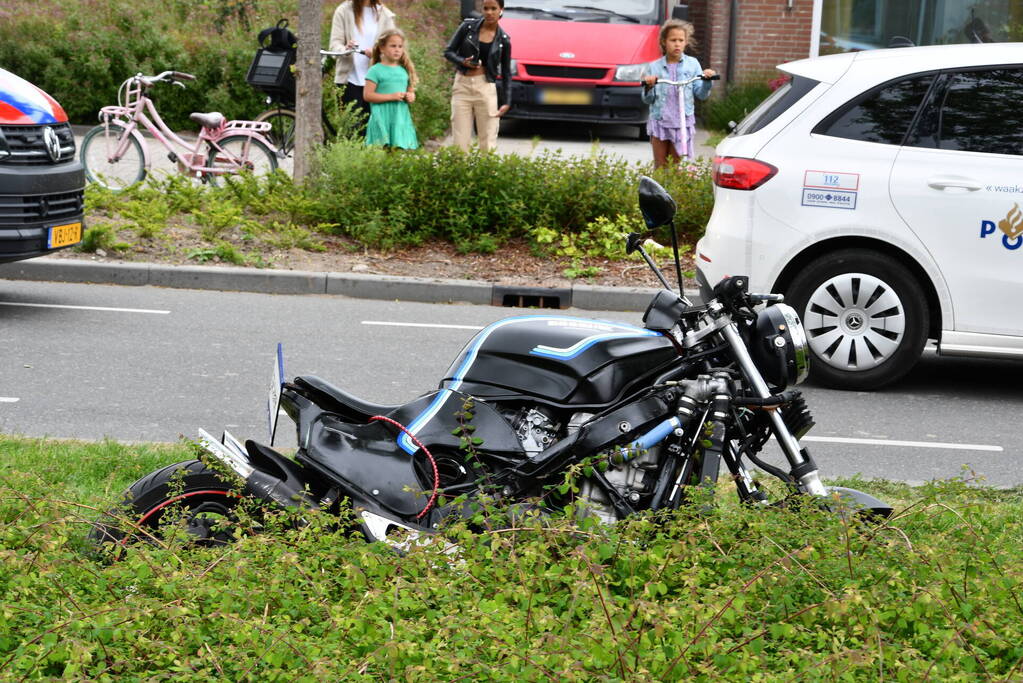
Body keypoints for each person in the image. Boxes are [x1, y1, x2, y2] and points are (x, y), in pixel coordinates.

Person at [641, 19, 716, 169]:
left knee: (675, 167)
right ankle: (658, 191)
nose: (677, 44)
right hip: (660, 121)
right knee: (660, 166)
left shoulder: (692, 64)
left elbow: (701, 94)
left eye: (681, 40)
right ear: (664, 42)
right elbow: (648, 100)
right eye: (673, 40)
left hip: (681, 122)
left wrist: (707, 81)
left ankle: (674, 192)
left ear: (686, 42)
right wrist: (649, 87)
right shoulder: (654, 67)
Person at [443, 0, 512, 152]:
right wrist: (463, 61)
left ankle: (486, 174)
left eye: (493, 8)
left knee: (488, 139)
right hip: (462, 85)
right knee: (460, 139)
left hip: (486, 87)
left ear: (501, 10)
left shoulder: (504, 40)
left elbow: (506, 72)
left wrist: (506, 101)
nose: (489, 12)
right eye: (485, 8)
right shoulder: (467, 27)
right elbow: (448, 51)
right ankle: (461, 173)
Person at [330, 0, 397, 125]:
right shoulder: (343, 11)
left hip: (377, 82)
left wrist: (377, 52)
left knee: (375, 131)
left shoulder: (386, 15)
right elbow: (334, 45)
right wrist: (346, 49)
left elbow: (394, 49)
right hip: (349, 81)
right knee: (350, 130)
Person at [363, 29, 419, 150]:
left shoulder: (404, 71)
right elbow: (367, 95)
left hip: (399, 117)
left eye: (400, 46)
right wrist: (391, 96)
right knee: (381, 151)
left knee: (399, 151)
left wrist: (410, 96)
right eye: (393, 46)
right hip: (382, 117)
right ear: (382, 48)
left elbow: (411, 91)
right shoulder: (375, 70)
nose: (397, 49)